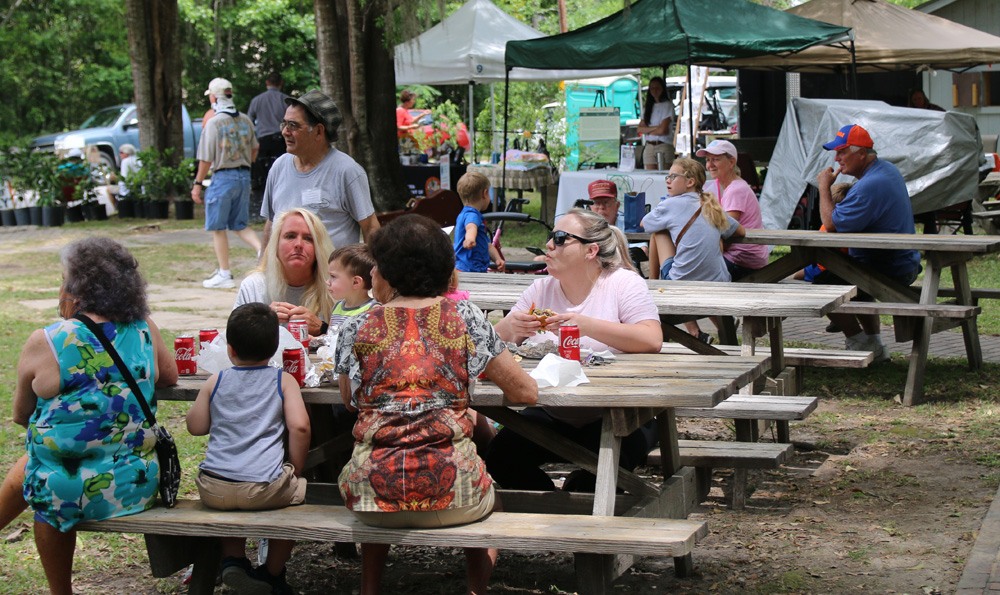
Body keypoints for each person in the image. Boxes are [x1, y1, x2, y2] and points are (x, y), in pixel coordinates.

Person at [334, 214, 537, 595]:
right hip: (455, 492)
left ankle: (369, 589)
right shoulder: (464, 317)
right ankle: (475, 590)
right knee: (495, 503)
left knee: (378, 461)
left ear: (385, 271)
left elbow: (349, 399)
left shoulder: (355, 325)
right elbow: (526, 393)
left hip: (370, 494)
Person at [13, 237, 178, 595]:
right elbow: (170, 376)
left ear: (76, 289)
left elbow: (21, 414)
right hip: (136, 483)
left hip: (68, 492)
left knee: (46, 477)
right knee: (37, 467)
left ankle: (61, 591)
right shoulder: (144, 329)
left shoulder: (50, 339)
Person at [483, 208, 663, 493]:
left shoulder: (622, 283)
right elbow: (487, 346)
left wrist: (586, 325)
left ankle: (577, 500)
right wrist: (509, 326)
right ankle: (549, 511)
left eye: (560, 238)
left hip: (617, 412)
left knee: (597, 481)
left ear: (591, 250)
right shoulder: (540, 289)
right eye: (550, 237)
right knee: (499, 458)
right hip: (553, 412)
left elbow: (652, 339)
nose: (549, 245)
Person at [186, 302, 310, 595]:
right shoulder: (283, 380)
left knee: (232, 500)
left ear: (230, 350)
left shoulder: (216, 380)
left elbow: (196, 426)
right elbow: (301, 427)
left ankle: (234, 560)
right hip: (264, 487)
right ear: (275, 347)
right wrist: (295, 469)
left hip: (213, 486)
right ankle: (272, 573)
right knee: (300, 494)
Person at [815, 123, 922, 363]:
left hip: (891, 269)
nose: (837, 158)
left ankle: (859, 342)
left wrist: (824, 187)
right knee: (849, 274)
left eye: (842, 152)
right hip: (901, 262)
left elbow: (830, 224)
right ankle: (876, 345)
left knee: (820, 286)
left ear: (861, 153)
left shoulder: (870, 184)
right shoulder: (887, 170)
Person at [261, 89, 380, 251]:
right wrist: (262, 268)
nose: (284, 132)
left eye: (293, 125)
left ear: (318, 131)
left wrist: (372, 272)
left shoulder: (347, 171)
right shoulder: (279, 167)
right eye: (284, 124)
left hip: (328, 275)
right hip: (284, 275)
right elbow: (271, 222)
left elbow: (370, 227)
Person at [642, 158, 745, 342]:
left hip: (681, 283)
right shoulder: (712, 206)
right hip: (718, 284)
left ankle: (653, 285)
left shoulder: (670, 204)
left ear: (690, 182)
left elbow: (644, 223)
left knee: (658, 231)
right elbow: (740, 231)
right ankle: (721, 333)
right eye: (668, 176)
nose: (668, 180)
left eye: (673, 176)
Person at [193, 77, 263, 289]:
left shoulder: (214, 122)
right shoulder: (245, 120)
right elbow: (254, 149)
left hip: (223, 177)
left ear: (214, 97)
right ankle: (263, 253)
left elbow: (205, 158)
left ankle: (224, 273)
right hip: (243, 176)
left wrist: (197, 183)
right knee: (239, 224)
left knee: (218, 227)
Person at [236, 207, 335, 337]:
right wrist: (261, 321)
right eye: (290, 236)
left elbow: (355, 343)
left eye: (308, 238)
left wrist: (321, 328)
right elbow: (234, 341)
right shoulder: (253, 286)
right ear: (275, 245)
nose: (298, 244)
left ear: (319, 248)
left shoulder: (336, 287)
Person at [696, 140, 768, 280]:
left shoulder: (735, 189)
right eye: (708, 160)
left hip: (743, 258)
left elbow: (726, 231)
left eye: (716, 159)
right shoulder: (727, 186)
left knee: (695, 272)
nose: (710, 165)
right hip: (740, 254)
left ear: (731, 162)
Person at [248, 72, 290, 223]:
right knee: (283, 173)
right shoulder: (284, 100)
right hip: (281, 140)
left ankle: (263, 209)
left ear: (267, 82)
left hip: (264, 141)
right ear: (281, 83)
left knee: (264, 175)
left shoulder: (257, 100)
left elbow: (249, 121)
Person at [454, 171, 505, 273]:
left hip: (473, 268)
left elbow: (488, 245)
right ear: (484, 193)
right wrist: (470, 239)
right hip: (468, 269)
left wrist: (498, 259)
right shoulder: (472, 215)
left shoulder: (467, 214)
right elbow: (471, 227)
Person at [326, 243, 377, 330]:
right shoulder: (337, 307)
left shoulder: (373, 309)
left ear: (355, 282)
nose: (327, 282)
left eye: (333, 276)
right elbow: (329, 337)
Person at [637, 76, 675, 171]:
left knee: (664, 176)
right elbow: (640, 129)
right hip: (650, 145)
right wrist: (656, 128)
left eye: (657, 88)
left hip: (664, 144)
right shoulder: (648, 107)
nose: (655, 91)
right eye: (652, 88)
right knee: (650, 176)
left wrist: (648, 130)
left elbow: (663, 130)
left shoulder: (668, 105)